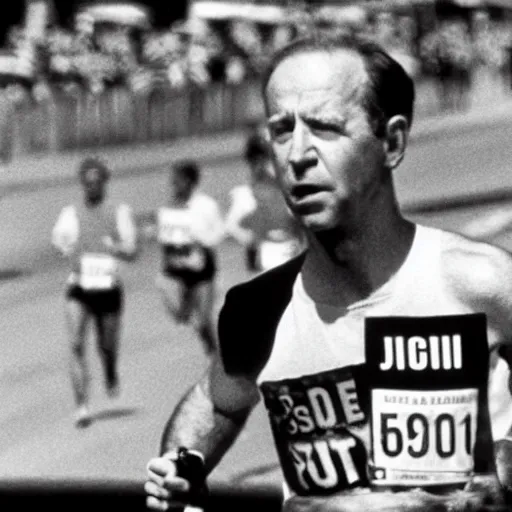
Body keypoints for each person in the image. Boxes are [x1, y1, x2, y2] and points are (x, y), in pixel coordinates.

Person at [145, 33, 512, 511]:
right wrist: (180, 470)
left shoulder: (479, 284)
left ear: (392, 142)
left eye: (324, 128)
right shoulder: (259, 313)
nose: (297, 153)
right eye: (281, 130)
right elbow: (215, 403)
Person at [52, 156, 137, 428]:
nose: (91, 188)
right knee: (76, 343)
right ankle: (82, 407)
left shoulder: (118, 212)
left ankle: (110, 370)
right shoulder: (71, 213)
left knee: (106, 345)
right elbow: (59, 240)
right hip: (79, 286)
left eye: (96, 183)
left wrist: (115, 248)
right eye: (86, 183)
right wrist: (65, 246)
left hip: (108, 288)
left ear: (104, 183)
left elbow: (132, 249)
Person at [154, 159, 224, 356]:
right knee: (182, 317)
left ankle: (215, 358)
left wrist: (201, 240)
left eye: (178, 181)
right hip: (177, 273)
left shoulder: (206, 205)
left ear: (191, 181)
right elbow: (163, 241)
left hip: (203, 272)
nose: (174, 185)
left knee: (203, 320)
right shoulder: (167, 208)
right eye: (173, 181)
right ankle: (213, 354)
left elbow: (219, 233)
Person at [226, 128, 305, 272]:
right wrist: (252, 240)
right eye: (268, 158)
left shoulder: (292, 192)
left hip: (291, 252)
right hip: (265, 256)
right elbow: (232, 226)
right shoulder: (246, 195)